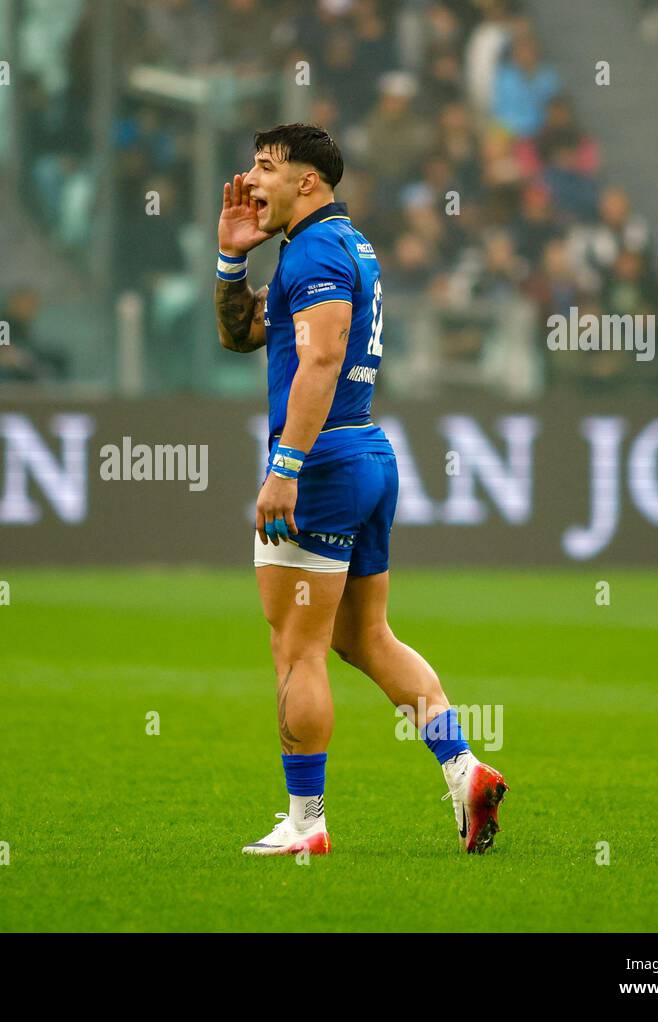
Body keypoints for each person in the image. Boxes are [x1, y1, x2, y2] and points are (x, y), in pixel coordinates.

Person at [212, 124, 508, 857]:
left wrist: (285, 466)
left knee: (296, 649)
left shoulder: (312, 250)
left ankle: (305, 824)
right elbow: (245, 334)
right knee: (364, 637)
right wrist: (229, 259)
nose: (250, 180)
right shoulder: (342, 244)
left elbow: (322, 358)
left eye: (266, 167)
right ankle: (463, 769)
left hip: (323, 463)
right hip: (367, 452)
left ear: (308, 182)